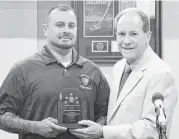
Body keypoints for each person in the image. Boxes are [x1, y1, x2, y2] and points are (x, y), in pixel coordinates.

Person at [0, 4, 110, 139]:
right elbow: (2, 115)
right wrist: (34, 127)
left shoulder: (93, 70)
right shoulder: (23, 70)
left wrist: (97, 129)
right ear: (45, 29)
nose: (66, 30)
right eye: (59, 25)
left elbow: (106, 114)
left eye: (71, 26)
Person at [69, 8, 178, 139]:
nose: (126, 41)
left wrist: (103, 131)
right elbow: (116, 115)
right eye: (121, 34)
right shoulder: (119, 67)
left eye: (133, 34)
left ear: (147, 36)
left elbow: (153, 130)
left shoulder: (161, 73)